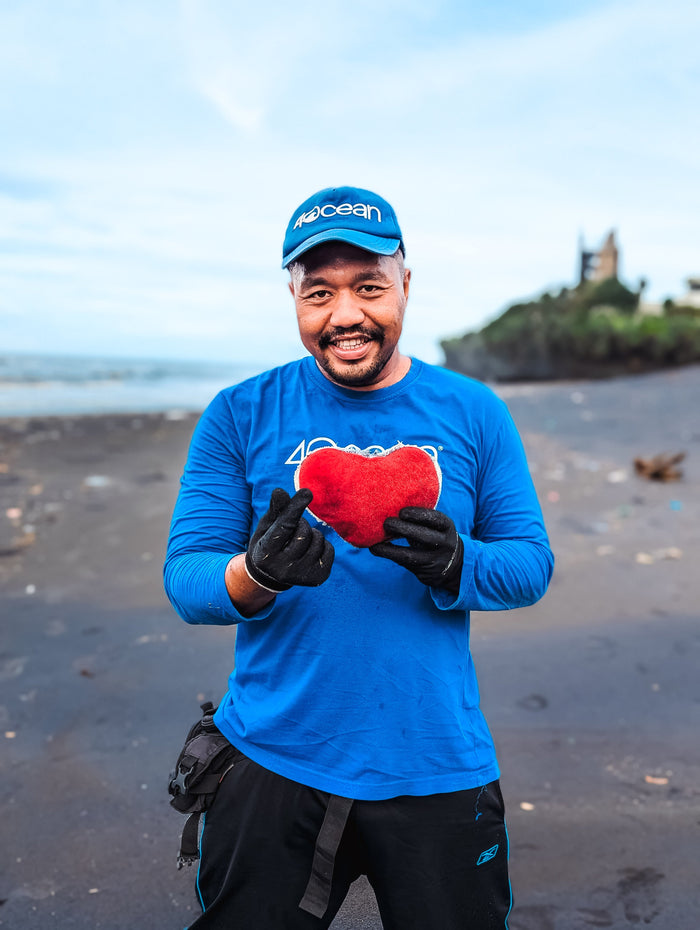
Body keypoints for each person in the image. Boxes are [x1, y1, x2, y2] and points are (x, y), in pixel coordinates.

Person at [164, 185, 554, 929]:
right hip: (274, 756)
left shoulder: (475, 412)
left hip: (437, 760)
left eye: (369, 286)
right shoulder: (240, 413)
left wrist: (457, 565)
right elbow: (187, 580)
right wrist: (255, 575)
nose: (345, 315)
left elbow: (530, 564)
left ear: (407, 282)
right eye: (319, 293)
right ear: (295, 299)